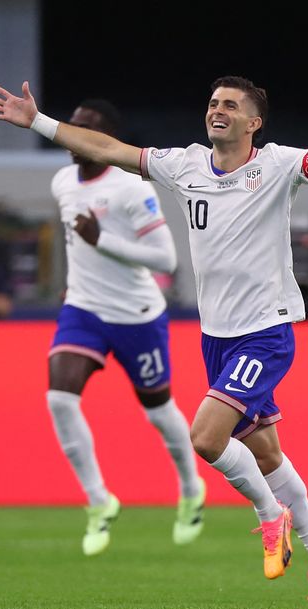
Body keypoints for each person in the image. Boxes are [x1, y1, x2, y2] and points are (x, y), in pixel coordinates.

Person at [0, 77, 308, 600]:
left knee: (206, 438)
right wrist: (38, 121)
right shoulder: (185, 164)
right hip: (215, 336)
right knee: (267, 457)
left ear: (253, 123)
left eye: (231, 105)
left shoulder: (279, 165)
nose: (217, 110)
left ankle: (270, 518)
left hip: (265, 331)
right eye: (214, 103)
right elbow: (107, 147)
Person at [44, 99, 204, 556]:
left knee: (158, 410)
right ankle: (99, 501)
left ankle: (191, 489)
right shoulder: (61, 182)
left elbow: (166, 260)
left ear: (106, 139)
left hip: (136, 315)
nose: (74, 134)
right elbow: (76, 244)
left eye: (86, 128)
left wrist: (104, 241)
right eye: (71, 126)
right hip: (84, 310)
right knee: (59, 397)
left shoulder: (131, 187)